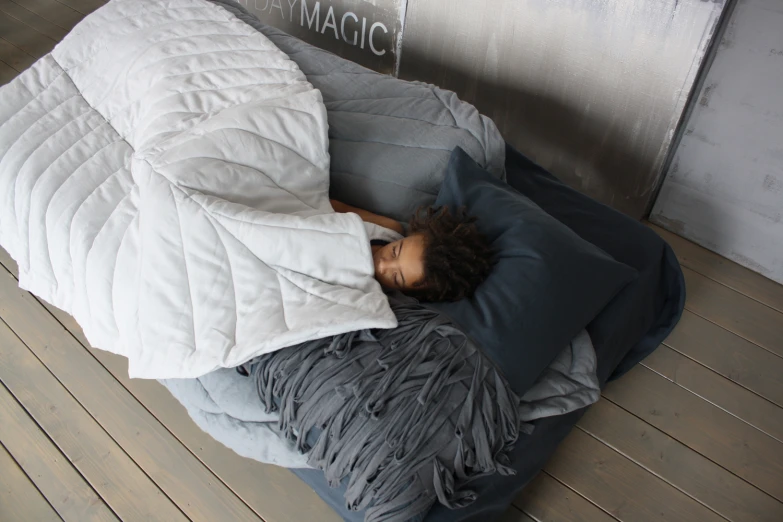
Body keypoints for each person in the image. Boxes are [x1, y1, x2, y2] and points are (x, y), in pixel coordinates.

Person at [330, 200, 494, 302]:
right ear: (413, 234)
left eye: (395, 277)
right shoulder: (387, 229)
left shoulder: (370, 295)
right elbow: (333, 207)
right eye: (394, 251)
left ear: (405, 291)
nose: (382, 265)